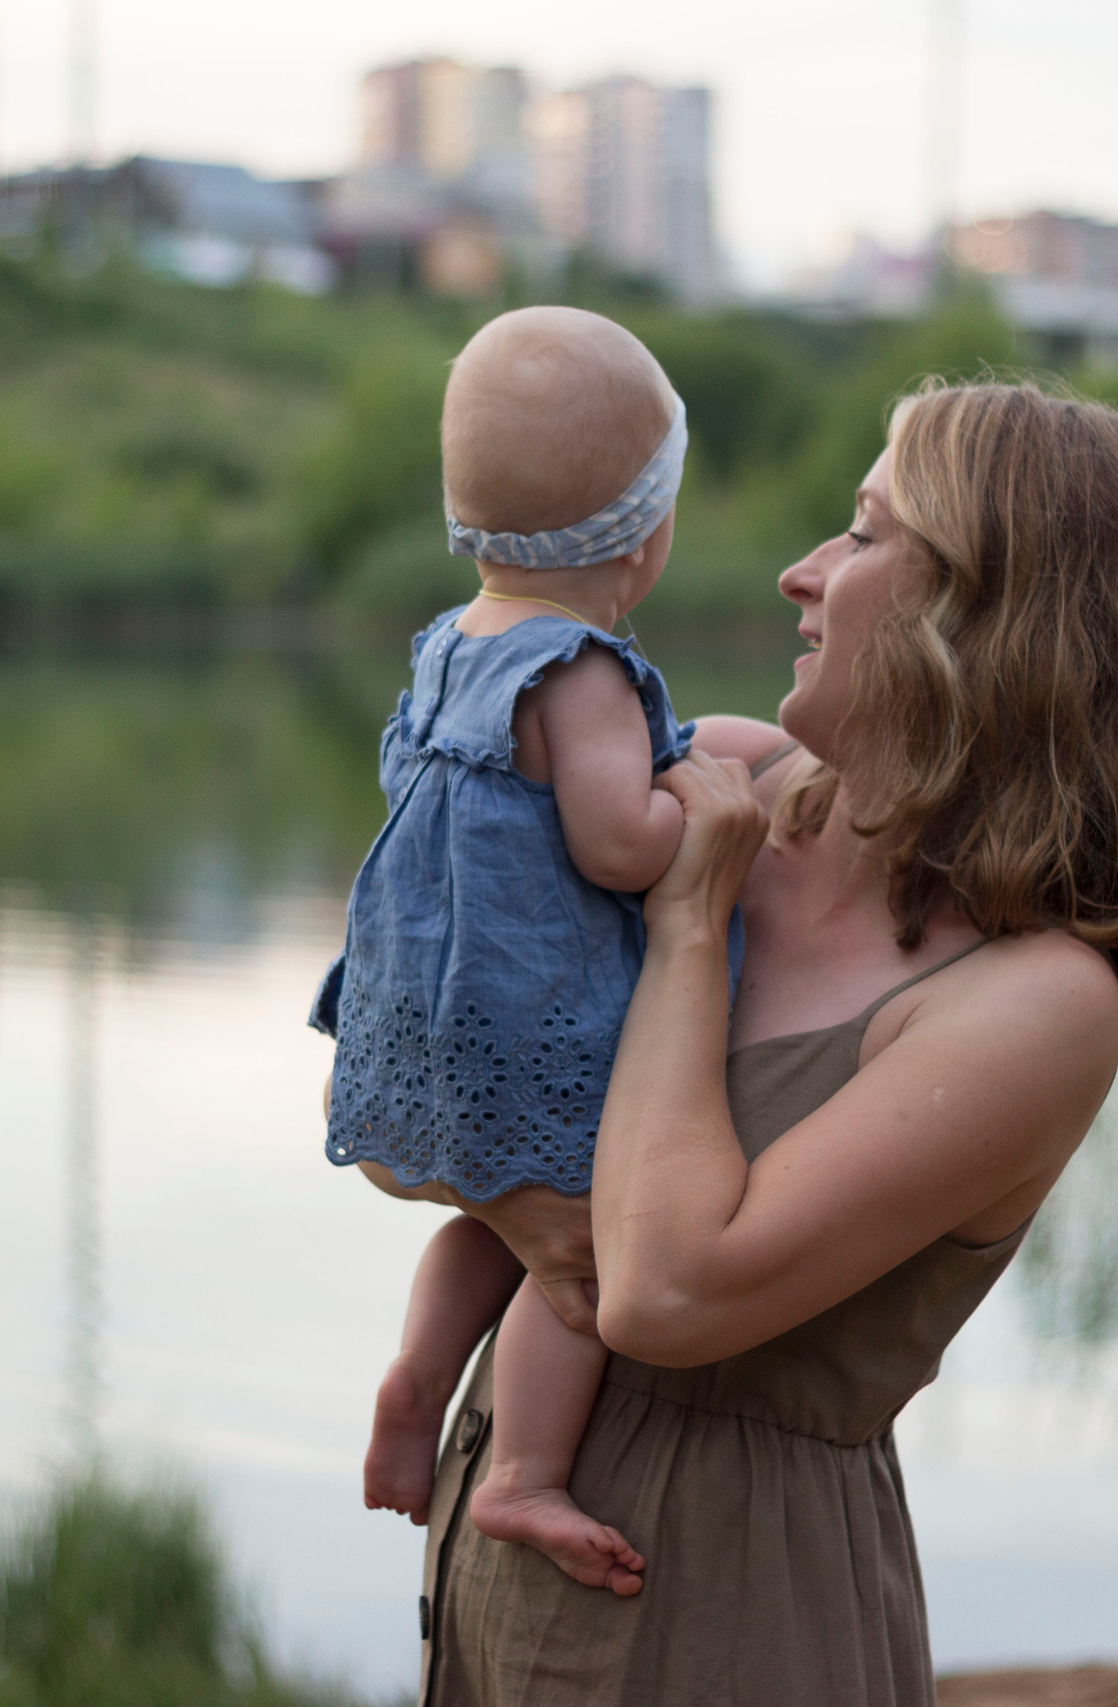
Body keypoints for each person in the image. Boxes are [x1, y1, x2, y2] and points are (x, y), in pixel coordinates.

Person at [358, 379, 1118, 1704]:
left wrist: (691, 931)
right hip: (504, 1546)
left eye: (864, 536)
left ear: (993, 617)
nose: (804, 574)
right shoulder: (727, 779)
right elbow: (415, 1078)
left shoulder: (1033, 1002)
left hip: (725, 1598)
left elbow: (666, 1293)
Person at [312, 306, 706, 1596]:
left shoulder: (448, 646)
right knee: (580, 1262)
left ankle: (416, 1380)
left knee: (492, 1214)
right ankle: (524, 1475)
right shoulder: (580, 672)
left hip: (422, 1032)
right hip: (530, 1044)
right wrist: (692, 809)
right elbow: (615, 845)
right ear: (641, 543)